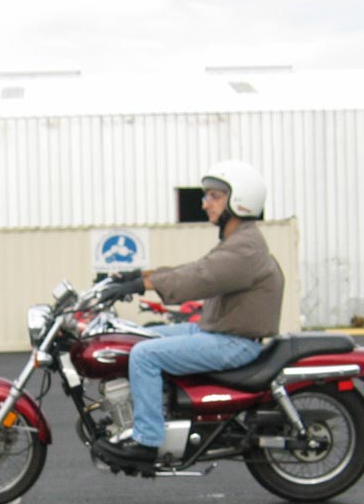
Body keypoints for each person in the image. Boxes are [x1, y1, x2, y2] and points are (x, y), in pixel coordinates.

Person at [95, 160, 285, 464]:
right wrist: (136, 276)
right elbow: (195, 268)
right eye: (207, 196)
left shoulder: (245, 247)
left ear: (240, 201)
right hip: (216, 329)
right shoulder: (238, 240)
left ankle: (147, 441)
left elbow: (200, 278)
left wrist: (142, 285)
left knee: (144, 355)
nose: (205, 203)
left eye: (214, 196)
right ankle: (147, 414)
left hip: (234, 341)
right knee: (138, 337)